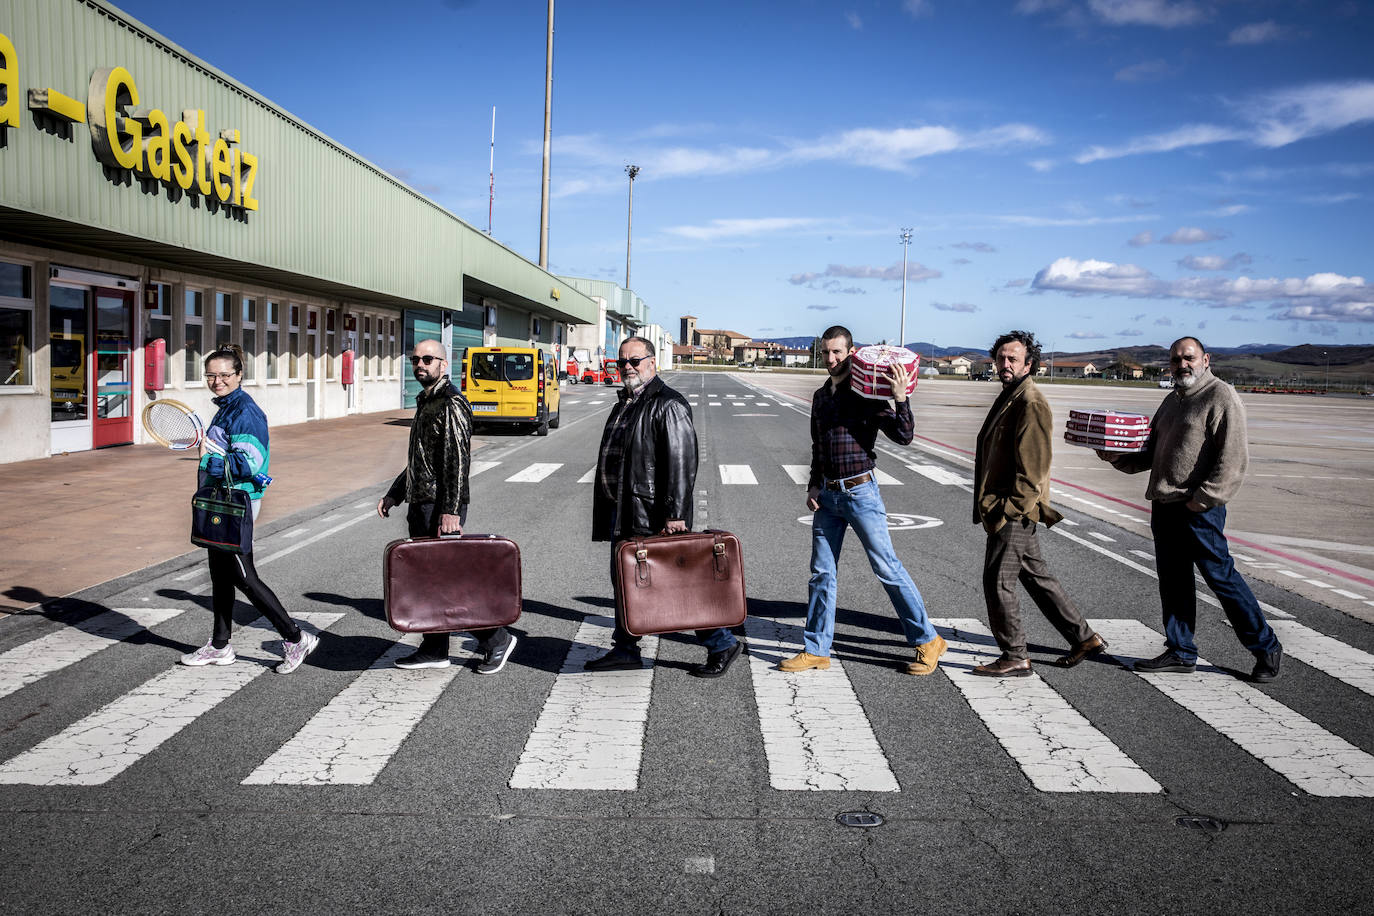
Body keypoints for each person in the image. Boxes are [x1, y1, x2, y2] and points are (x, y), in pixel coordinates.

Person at [1098, 336, 1283, 682]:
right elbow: (1150, 452)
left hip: (1198, 509)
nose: (1182, 365)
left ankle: (1266, 646)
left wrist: (1205, 498)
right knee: (1174, 581)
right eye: (1175, 360)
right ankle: (1181, 651)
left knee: (1221, 579)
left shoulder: (1220, 396)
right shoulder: (1173, 400)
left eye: (1188, 358)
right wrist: (1117, 458)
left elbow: (1233, 459)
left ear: (1205, 359)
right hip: (1165, 506)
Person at [781, 325, 946, 675]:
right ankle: (817, 649)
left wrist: (901, 398)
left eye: (837, 352)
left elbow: (904, 436)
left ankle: (928, 640)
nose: (831, 359)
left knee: (886, 568)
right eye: (826, 352)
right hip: (828, 496)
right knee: (821, 574)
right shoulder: (821, 396)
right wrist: (813, 485)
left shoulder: (866, 394)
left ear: (852, 352)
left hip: (860, 492)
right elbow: (818, 446)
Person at [584, 336, 743, 678]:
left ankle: (721, 641)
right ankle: (625, 649)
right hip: (624, 509)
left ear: (652, 363)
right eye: (621, 362)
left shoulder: (668, 404)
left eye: (634, 361)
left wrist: (676, 515)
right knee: (626, 581)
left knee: (674, 585)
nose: (627, 367)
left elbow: (682, 463)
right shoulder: (625, 402)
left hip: (651, 513)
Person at [377, 338, 517, 673]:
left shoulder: (452, 403)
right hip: (422, 501)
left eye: (427, 358)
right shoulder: (427, 401)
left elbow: (457, 461)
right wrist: (395, 493)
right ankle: (435, 648)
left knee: (448, 580)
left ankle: (495, 639)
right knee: (427, 582)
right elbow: (421, 461)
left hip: (440, 506)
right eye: (415, 359)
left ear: (444, 364)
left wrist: (451, 510)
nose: (420, 364)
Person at [972, 330, 1106, 677]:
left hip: (1014, 509)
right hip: (1010, 506)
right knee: (1036, 576)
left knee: (998, 581)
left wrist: (1008, 509)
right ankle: (1084, 637)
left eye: (1013, 359)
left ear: (1029, 364)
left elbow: (1033, 469)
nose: (1005, 363)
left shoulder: (1030, 401)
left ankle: (1015, 654)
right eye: (1001, 358)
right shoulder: (1011, 395)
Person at [179, 344, 318, 674]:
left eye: (224, 375)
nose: (217, 381)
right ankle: (220, 645)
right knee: (219, 576)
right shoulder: (226, 407)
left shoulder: (244, 411)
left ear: (239, 375)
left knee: (243, 576)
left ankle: (296, 637)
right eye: (211, 375)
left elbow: (247, 462)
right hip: (221, 500)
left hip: (237, 503)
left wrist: (208, 458)